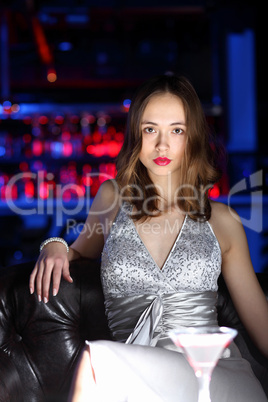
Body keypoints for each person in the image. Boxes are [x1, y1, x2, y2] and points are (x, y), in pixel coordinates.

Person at [29, 74, 268, 401]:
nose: (163, 145)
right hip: (138, 377)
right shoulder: (112, 198)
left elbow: (262, 327)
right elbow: (78, 250)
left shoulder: (223, 220)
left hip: (210, 376)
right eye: (150, 129)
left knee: (94, 362)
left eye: (177, 130)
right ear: (135, 136)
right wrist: (53, 246)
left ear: (192, 138)